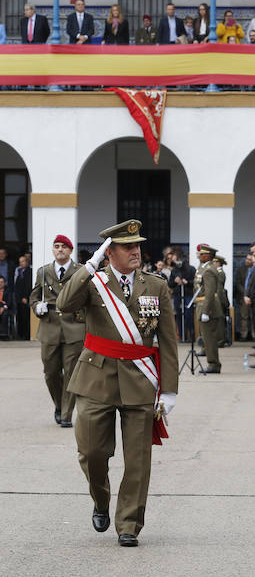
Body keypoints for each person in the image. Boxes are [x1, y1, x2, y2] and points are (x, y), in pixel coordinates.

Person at [56, 219, 178, 548]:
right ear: (109, 252)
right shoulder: (93, 281)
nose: (136, 251)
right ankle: (100, 499)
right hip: (96, 377)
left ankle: (129, 523)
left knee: (138, 458)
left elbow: (167, 340)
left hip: (140, 380)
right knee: (92, 452)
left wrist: (169, 390)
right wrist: (89, 265)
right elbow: (64, 304)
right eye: (127, 247)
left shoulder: (155, 285)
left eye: (137, 245)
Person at [29, 235, 86, 428]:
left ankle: (67, 415)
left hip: (74, 327)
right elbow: (34, 297)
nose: (60, 249)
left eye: (63, 246)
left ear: (71, 250)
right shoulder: (43, 272)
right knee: (51, 372)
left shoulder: (80, 271)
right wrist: (37, 307)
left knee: (71, 372)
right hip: (50, 327)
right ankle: (59, 406)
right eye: (56, 246)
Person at [194, 244, 222, 374]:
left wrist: (205, 311)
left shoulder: (209, 270)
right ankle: (212, 363)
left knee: (209, 338)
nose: (199, 256)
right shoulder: (203, 268)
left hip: (208, 308)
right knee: (206, 338)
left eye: (201, 254)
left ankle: (214, 364)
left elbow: (210, 293)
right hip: (202, 305)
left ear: (208, 256)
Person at [14, 255, 32, 339]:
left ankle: (26, 335)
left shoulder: (30, 271)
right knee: (20, 318)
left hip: (26, 299)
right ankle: (20, 335)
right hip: (19, 299)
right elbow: (17, 286)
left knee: (26, 318)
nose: (21, 263)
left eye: (23, 261)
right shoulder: (19, 271)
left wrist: (25, 297)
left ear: (27, 262)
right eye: (20, 262)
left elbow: (28, 286)